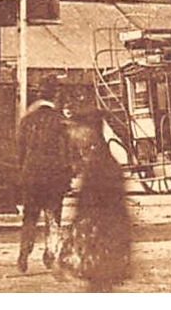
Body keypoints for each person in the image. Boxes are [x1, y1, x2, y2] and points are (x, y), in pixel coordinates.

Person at [59, 121, 133, 292]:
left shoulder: (97, 169)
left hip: (101, 238)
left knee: (99, 282)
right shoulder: (105, 165)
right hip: (104, 239)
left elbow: (88, 208)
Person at [15, 75, 74, 273]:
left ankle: (24, 253)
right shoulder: (61, 122)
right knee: (53, 217)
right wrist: (68, 175)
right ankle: (50, 253)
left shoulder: (27, 120)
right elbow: (67, 153)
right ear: (55, 95)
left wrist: (22, 173)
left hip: (31, 175)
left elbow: (20, 152)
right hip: (54, 176)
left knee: (29, 216)